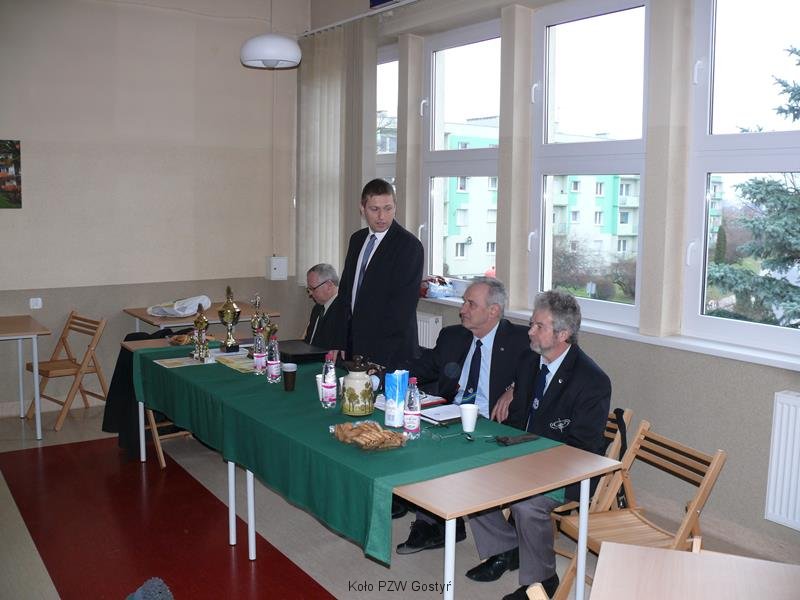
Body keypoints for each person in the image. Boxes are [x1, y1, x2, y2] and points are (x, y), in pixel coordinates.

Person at [465, 290, 611, 600]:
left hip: (568, 470)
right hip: (525, 455)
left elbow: (582, 448)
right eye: (531, 323)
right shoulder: (530, 361)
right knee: (469, 473)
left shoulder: (592, 380)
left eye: (538, 326)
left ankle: (543, 581)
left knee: (527, 505)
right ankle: (506, 548)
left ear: (563, 334)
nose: (529, 331)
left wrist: (530, 466)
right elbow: (519, 419)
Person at [395, 277, 531, 554]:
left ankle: (500, 547)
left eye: (471, 304)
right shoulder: (452, 336)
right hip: (450, 414)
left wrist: (515, 388)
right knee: (413, 439)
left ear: (493, 311)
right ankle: (434, 522)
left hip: (492, 424)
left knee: (457, 461)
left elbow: (543, 371)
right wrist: (385, 376)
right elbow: (425, 366)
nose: (462, 310)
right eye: (463, 302)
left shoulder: (520, 340)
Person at [335, 178, 423, 368]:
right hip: (354, 347)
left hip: (390, 352)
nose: (382, 216)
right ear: (362, 208)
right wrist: (340, 339)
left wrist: (376, 356)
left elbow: (401, 309)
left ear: (395, 207)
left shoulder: (409, 246)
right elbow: (346, 294)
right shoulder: (357, 240)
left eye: (388, 208)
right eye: (374, 209)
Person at [303, 263, 341, 349]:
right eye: (308, 289)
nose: (310, 293)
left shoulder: (342, 310)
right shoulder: (317, 308)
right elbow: (309, 340)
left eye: (313, 288)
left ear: (329, 285)